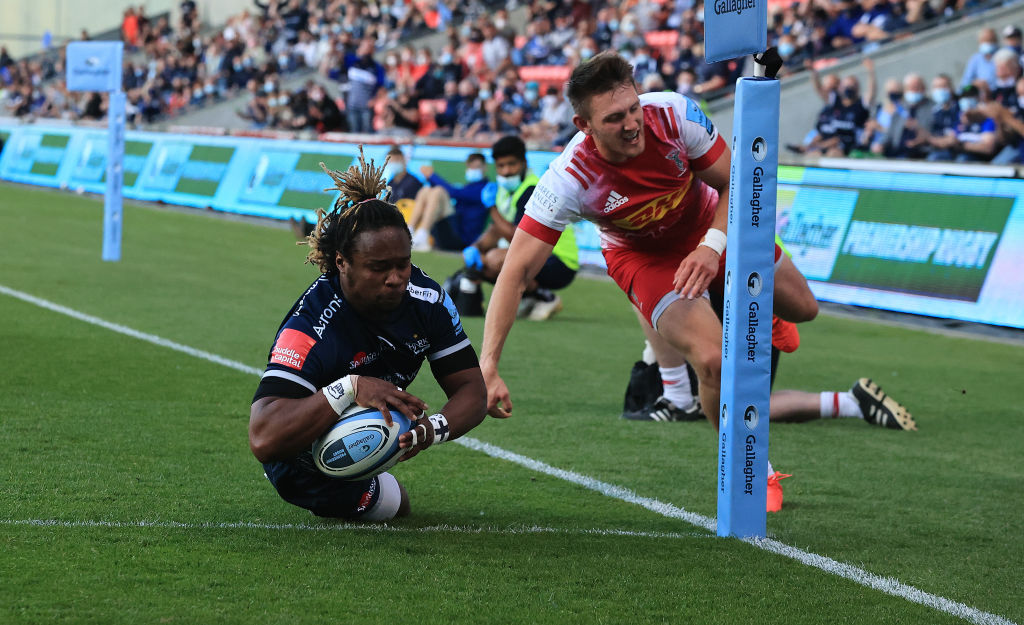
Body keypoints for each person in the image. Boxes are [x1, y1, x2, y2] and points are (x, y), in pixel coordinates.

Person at [479, 51, 817, 509]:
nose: (632, 123)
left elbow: (739, 181)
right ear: (585, 126)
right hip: (643, 256)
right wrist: (489, 365)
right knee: (715, 360)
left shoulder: (675, 115)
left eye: (633, 108)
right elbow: (515, 273)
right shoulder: (568, 179)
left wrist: (710, 247)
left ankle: (759, 309)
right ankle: (751, 471)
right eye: (614, 118)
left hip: (709, 225)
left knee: (804, 308)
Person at [249, 148, 487, 521]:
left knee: (398, 510)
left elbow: (473, 391)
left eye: (403, 263)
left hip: (367, 436)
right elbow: (264, 437)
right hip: (297, 459)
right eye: (378, 267)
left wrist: (432, 430)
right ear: (342, 262)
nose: (395, 278)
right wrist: (349, 388)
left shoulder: (429, 302)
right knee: (392, 507)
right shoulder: (310, 325)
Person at [460, 136, 579, 321]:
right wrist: (475, 247)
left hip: (560, 262)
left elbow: (519, 237)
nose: (506, 171)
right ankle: (531, 297)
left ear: (524, 163)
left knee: (495, 259)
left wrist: (492, 209)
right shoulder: (504, 191)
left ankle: (546, 297)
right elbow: (495, 230)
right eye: (501, 166)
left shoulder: (532, 189)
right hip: (539, 257)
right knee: (481, 263)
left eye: (511, 164)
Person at [406, 152, 491, 252]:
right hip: (451, 230)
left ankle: (422, 234)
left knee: (438, 192)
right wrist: (431, 178)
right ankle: (409, 232)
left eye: (477, 167)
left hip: (463, 240)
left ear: (485, 168)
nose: (473, 170)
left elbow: (453, 192)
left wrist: (432, 175)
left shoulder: (485, 189)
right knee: (425, 191)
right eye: (471, 167)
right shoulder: (468, 186)